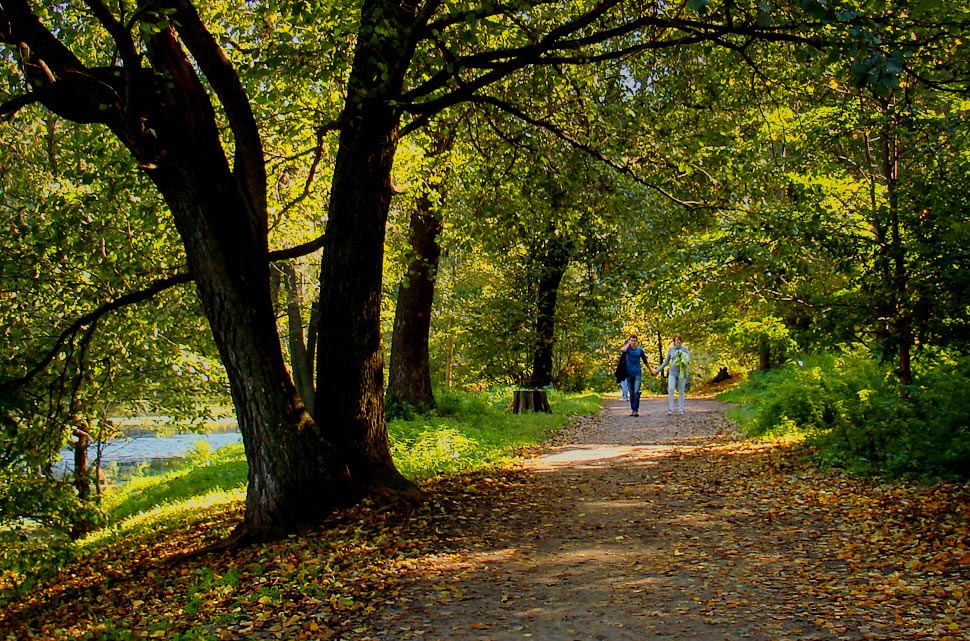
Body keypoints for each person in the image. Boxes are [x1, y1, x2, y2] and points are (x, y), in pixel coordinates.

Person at [621, 335, 656, 417]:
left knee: (636, 391)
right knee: (631, 393)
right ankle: (633, 409)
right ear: (629, 341)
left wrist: (651, 371)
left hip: (637, 373)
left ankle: (635, 410)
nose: (633, 342)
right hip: (628, 374)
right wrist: (627, 344)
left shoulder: (639, 350)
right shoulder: (627, 349)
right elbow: (622, 350)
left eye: (634, 341)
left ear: (636, 342)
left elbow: (645, 361)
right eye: (631, 341)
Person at [657, 333, 690, 415]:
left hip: (682, 373)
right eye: (676, 340)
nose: (677, 341)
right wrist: (657, 370)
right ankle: (670, 409)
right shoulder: (671, 350)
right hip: (672, 372)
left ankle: (680, 409)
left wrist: (683, 360)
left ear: (681, 341)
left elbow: (688, 360)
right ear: (674, 341)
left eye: (679, 340)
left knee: (681, 391)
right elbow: (666, 362)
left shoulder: (685, 349)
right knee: (671, 389)